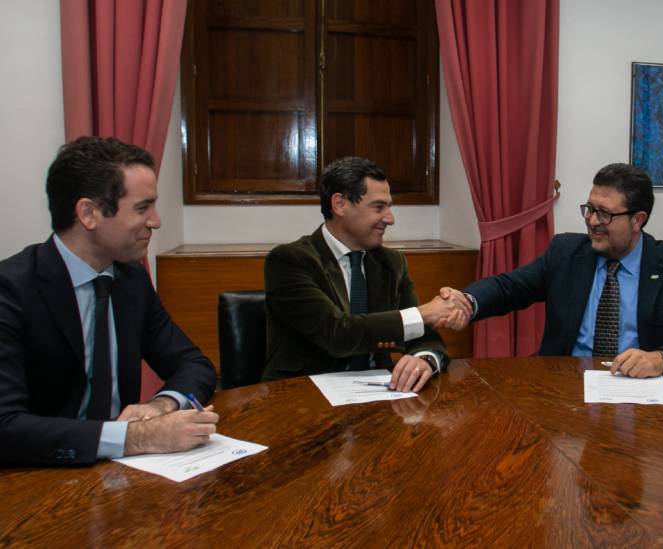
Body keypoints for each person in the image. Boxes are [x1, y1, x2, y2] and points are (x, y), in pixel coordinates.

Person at [0, 137, 218, 466]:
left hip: (116, 477)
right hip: (35, 481)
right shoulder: (11, 290)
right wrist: (139, 437)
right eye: (143, 207)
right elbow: (7, 426)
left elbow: (194, 365)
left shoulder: (131, 281)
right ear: (88, 213)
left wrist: (161, 406)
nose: (156, 221)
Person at [440, 163, 663, 377]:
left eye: (603, 213)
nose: (591, 221)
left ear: (638, 220)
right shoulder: (567, 253)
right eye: (589, 209)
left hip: (641, 395)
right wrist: (467, 302)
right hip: (565, 385)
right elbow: (509, 287)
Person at [262, 157, 467, 391]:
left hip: (378, 394)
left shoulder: (391, 262)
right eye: (379, 207)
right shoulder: (289, 261)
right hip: (301, 397)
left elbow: (425, 337)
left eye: (389, 207)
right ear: (339, 204)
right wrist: (422, 313)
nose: (390, 218)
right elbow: (337, 335)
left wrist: (425, 359)